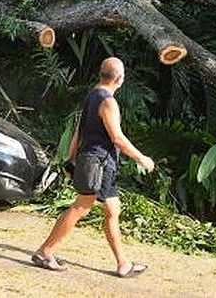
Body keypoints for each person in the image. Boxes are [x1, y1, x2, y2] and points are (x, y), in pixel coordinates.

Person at [31, 57, 154, 278]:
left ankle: (123, 263)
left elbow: (79, 129)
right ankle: (45, 252)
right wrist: (141, 158)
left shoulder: (92, 95)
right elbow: (117, 138)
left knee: (112, 210)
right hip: (98, 163)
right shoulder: (108, 102)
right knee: (81, 208)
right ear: (119, 78)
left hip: (96, 162)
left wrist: (71, 157)